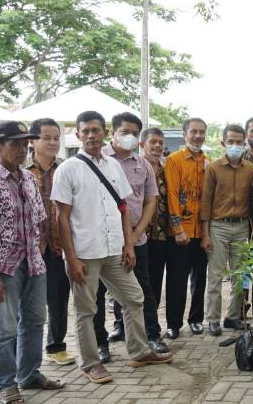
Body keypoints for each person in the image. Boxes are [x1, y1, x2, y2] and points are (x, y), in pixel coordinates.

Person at [52, 111, 172, 384]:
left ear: (104, 132)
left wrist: (129, 245)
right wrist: (70, 258)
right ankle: (91, 363)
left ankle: (139, 351)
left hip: (115, 248)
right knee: (86, 310)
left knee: (134, 298)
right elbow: (61, 217)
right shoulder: (68, 169)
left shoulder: (113, 166)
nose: (91, 135)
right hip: (85, 251)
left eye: (96, 130)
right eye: (86, 131)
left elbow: (122, 208)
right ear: (78, 135)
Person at [0, 121, 63, 403]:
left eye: (24, 143)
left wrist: (42, 248)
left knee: (35, 321)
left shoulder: (29, 178)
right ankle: (7, 383)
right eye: (14, 143)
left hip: (35, 262)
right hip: (4, 268)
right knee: (5, 327)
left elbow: (41, 220)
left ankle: (29, 374)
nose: (22, 148)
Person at [93, 112, 167, 361]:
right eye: (124, 132)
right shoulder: (97, 160)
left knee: (143, 290)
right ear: (112, 132)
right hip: (103, 241)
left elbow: (150, 201)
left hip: (137, 239)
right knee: (98, 295)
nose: (130, 137)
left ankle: (152, 336)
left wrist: (136, 234)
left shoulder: (142, 164)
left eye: (135, 133)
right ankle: (100, 344)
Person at [24, 118, 74, 366]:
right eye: (47, 137)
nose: (53, 142)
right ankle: (25, 355)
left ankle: (56, 347)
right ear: (32, 141)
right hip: (28, 248)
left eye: (57, 137)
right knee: (30, 306)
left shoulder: (66, 168)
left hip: (58, 245)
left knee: (58, 299)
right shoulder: (21, 169)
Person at [200, 124, 253, 335]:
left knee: (241, 275)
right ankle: (213, 319)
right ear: (223, 143)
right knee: (215, 276)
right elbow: (206, 203)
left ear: (244, 144)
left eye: (238, 142)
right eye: (230, 141)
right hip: (218, 227)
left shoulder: (250, 169)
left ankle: (233, 317)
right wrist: (205, 234)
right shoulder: (213, 168)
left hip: (242, 227)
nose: (234, 145)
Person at [164, 117, 209, 339]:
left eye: (202, 132)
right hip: (181, 232)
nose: (198, 136)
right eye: (194, 132)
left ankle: (196, 319)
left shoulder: (208, 162)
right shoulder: (174, 160)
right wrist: (177, 228)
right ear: (185, 135)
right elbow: (172, 195)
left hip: (202, 232)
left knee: (200, 279)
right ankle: (173, 323)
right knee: (177, 280)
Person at [140, 128, 168, 320]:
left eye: (160, 142)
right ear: (142, 145)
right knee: (131, 282)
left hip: (161, 235)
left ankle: (151, 322)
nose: (157, 146)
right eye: (153, 142)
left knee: (155, 281)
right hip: (136, 234)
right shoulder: (134, 168)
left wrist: (176, 227)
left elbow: (174, 203)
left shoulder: (168, 170)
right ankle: (121, 324)